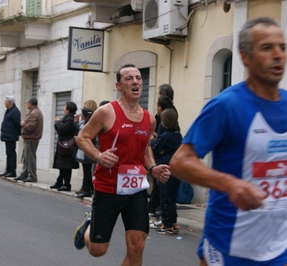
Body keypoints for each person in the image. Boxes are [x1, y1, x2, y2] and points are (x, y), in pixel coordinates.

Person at [170, 17, 287, 265]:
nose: (278, 55)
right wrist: (230, 185)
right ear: (245, 56)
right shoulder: (226, 105)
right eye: (267, 47)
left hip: (279, 249)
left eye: (282, 47)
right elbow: (180, 161)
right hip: (228, 247)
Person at [73, 64, 171, 265]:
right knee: (98, 250)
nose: (135, 82)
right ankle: (88, 228)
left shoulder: (149, 119)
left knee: (138, 246)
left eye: (138, 78)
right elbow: (82, 138)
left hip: (135, 189)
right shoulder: (106, 112)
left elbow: (144, 149)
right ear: (119, 85)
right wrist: (99, 156)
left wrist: (153, 167)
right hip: (108, 187)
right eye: (129, 78)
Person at [149, 108, 182, 235]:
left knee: (165, 196)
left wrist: (154, 141)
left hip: (164, 167)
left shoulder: (164, 136)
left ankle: (166, 223)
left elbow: (155, 150)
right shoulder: (178, 135)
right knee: (172, 197)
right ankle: (173, 223)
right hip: (176, 168)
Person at [50, 101, 79, 191]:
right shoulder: (67, 119)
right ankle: (59, 182)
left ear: (68, 109)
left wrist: (58, 123)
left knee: (66, 166)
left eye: (64, 107)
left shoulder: (70, 120)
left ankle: (66, 184)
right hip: (63, 146)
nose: (63, 109)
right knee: (62, 165)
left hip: (66, 146)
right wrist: (59, 123)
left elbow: (62, 130)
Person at [15, 97, 44, 182]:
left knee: (30, 158)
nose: (27, 104)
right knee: (26, 157)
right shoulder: (34, 112)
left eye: (27, 103)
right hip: (30, 138)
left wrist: (24, 124)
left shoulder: (35, 113)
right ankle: (24, 174)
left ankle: (32, 176)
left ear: (31, 103)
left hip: (32, 138)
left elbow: (31, 127)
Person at [75, 107, 95, 198]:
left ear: (83, 115)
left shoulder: (84, 124)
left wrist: (76, 121)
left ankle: (87, 189)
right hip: (91, 149)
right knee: (88, 171)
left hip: (86, 150)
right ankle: (88, 187)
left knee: (86, 171)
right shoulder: (92, 123)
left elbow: (79, 133)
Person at [0, 96, 21, 178]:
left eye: (5, 101)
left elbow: (17, 124)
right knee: (8, 153)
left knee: (11, 153)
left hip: (11, 136)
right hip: (7, 135)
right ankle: (8, 170)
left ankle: (12, 171)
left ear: (9, 103)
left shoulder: (15, 111)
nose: (4, 103)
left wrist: (17, 133)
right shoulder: (9, 110)